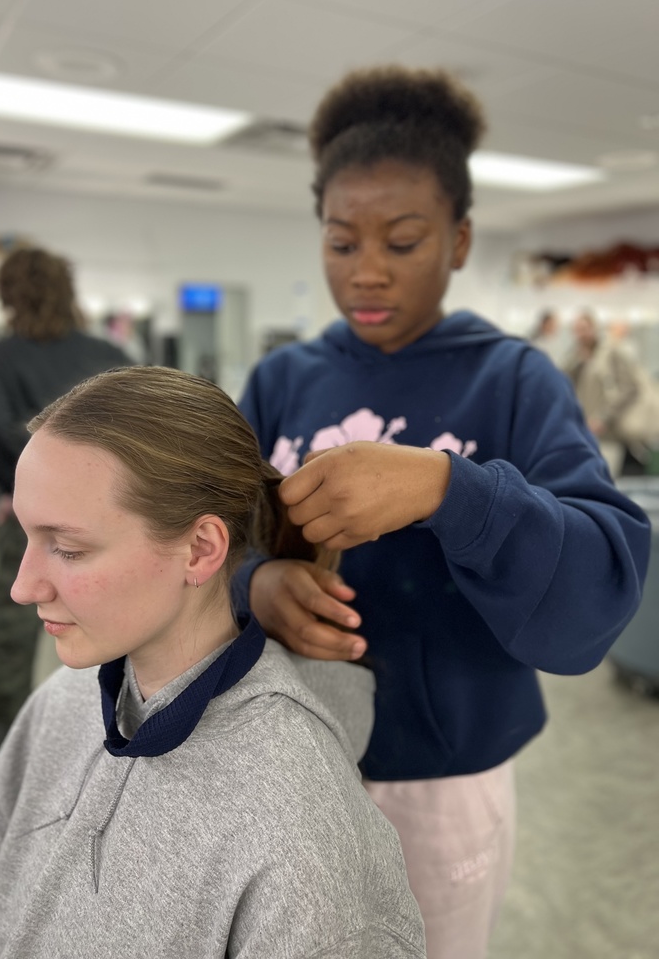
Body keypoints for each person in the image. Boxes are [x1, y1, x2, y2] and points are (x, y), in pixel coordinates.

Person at [233, 65, 651, 959]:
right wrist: (256, 584)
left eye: (404, 240)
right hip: (282, 752)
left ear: (459, 242)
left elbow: (598, 584)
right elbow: (207, 539)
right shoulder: (280, 381)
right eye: (342, 244)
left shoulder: (512, 380)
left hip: (438, 778)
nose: (368, 271)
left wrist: (448, 489)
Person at [0, 365, 426, 959]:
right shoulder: (57, 705)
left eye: (68, 549)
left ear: (200, 549)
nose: (23, 587)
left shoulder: (299, 829)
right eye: (26, 537)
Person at [0, 247, 132, 725]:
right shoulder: (109, 355)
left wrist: (19, 493)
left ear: (6, 296)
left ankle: (1, 746)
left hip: (30, 524)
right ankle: (113, 735)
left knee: (10, 643)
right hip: (113, 519)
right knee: (116, 633)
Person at [562, 310, 650, 477]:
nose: (581, 334)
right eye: (577, 330)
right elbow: (565, 382)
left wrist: (603, 418)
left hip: (608, 432)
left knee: (607, 478)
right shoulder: (575, 357)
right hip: (583, 431)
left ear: (594, 328)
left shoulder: (611, 352)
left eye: (584, 328)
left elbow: (630, 387)